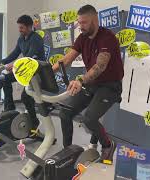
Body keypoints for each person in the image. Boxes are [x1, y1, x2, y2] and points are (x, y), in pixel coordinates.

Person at [52, 5, 124, 163]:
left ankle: (107, 145)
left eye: (84, 22)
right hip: (92, 84)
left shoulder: (107, 38)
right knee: (65, 112)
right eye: (79, 22)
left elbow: (100, 66)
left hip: (110, 86)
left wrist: (80, 80)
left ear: (95, 20)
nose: (80, 26)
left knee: (89, 118)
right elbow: (67, 60)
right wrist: (47, 73)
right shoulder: (82, 37)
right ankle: (68, 153)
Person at [0, 14, 45, 129]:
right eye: (19, 27)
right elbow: (15, 53)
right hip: (24, 72)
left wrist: (12, 65)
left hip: (36, 73)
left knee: (25, 98)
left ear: (29, 27)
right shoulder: (21, 39)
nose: (19, 30)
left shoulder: (36, 39)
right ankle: (9, 109)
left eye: (21, 28)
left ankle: (34, 122)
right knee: (5, 79)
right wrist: (0, 62)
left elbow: (28, 57)